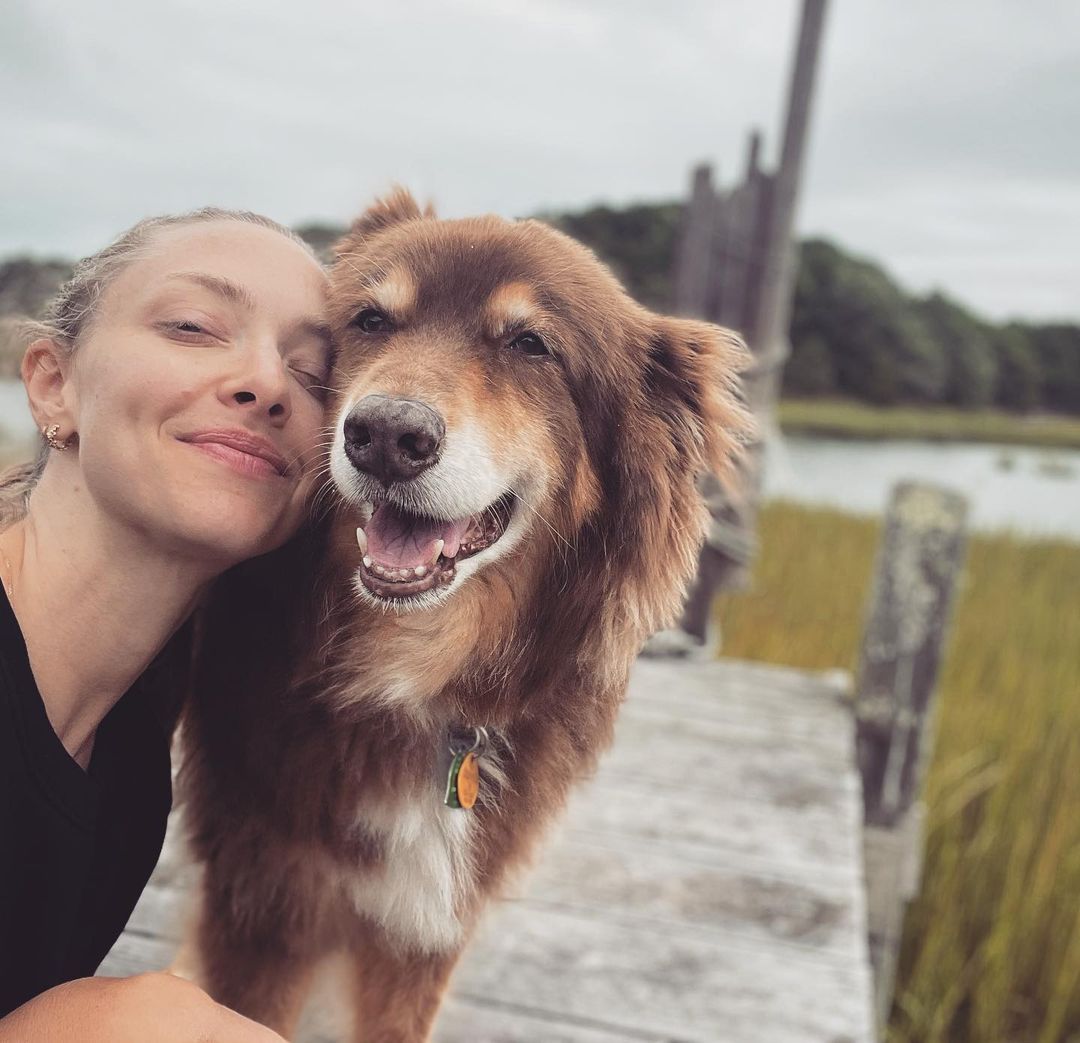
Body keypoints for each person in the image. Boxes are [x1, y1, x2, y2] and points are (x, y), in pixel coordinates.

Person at [0, 209, 333, 1041]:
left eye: (317, 373)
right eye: (192, 327)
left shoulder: (128, 764)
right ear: (52, 382)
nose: (268, 383)